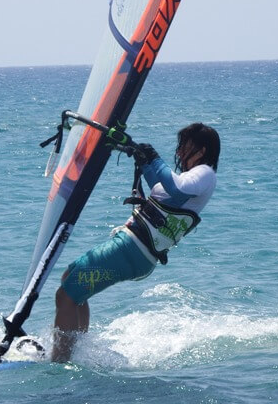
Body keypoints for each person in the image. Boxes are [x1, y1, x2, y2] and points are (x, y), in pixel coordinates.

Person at [51, 122, 220, 362]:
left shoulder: (204, 173)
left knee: (66, 295)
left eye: (185, 146)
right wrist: (142, 159)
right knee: (70, 279)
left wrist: (156, 158)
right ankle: (76, 350)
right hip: (134, 247)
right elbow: (161, 187)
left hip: (134, 249)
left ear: (201, 151)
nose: (180, 151)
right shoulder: (193, 177)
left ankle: (59, 362)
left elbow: (176, 187)